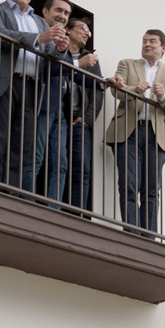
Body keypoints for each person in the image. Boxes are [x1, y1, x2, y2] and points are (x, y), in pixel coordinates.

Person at [0, 0, 68, 194]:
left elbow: (50, 53)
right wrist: (38, 39)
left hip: (32, 87)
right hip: (4, 82)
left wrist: (60, 49)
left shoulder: (38, 20)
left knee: (22, 145)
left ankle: (11, 195)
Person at [105, 30, 165, 235]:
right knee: (128, 183)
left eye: (152, 42)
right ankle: (132, 233)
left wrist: (163, 97)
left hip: (156, 136)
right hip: (128, 132)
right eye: (144, 41)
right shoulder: (127, 64)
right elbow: (115, 90)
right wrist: (134, 89)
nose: (147, 44)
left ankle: (148, 237)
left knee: (151, 189)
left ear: (163, 48)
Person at [63, 16, 102, 212]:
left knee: (82, 170)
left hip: (80, 121)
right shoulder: (59, 50)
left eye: (90, 31)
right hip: (59, 117)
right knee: (56, 164)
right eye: (84, 28)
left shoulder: (91, 59)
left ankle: (75, 214)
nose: (88, 33)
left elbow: (97, 90)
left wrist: (87, 119)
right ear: (68, 30)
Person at [36, 0, 73, 204]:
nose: (62, 16)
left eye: (66, 13)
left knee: (60, 162)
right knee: (37, 156)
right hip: (40, 103)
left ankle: (53, 207)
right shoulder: (37, 29)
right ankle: (27, 202)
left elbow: (68, 71)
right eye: (58, 10)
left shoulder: (63, 39)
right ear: (45, 12)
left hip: (59, 107)